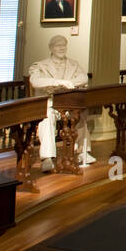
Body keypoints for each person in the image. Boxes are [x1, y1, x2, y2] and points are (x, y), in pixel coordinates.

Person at [28, 35, 90, 170]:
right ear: (51, 48)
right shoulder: (41, 65)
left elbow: (84, 77)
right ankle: (47, 157)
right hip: (51, 105)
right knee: (47, 117)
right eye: (58, 45)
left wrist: (70, 83)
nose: (61, 48)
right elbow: (35, 81)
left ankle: (81, 151)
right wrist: (58, 82)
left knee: (79, 115)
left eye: (64, 45)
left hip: (68, 104)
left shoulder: (74, 64)